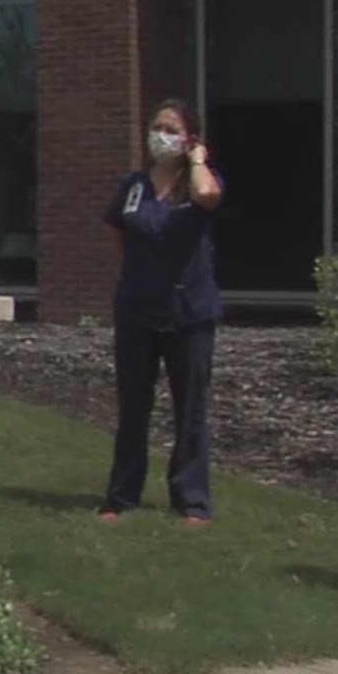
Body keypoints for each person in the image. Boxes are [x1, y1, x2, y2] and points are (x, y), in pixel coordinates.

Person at [100, 98, 223, 526]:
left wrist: (198, 160)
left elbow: (209, 196)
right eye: (156, 126)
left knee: (189, 410)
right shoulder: (134, 185)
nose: (160, 135)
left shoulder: (197, 184)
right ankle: (121, 497)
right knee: (133, 406)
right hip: (137, 311)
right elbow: (120, 233)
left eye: (171, 128)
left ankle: (191, 501)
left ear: (189, 137)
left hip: (189, 313)